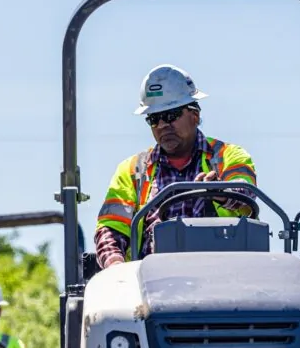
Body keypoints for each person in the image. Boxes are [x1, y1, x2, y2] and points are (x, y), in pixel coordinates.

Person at [94, 64, 257, 268]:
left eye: (171, 115)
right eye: (154, 119)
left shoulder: (229, 156)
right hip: (154, 285)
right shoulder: (132, 170)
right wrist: (116, 269)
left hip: (224, 276)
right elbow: (110, 228)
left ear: (194, 115)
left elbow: (246, 194)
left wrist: (221, 191)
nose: (162, 125)